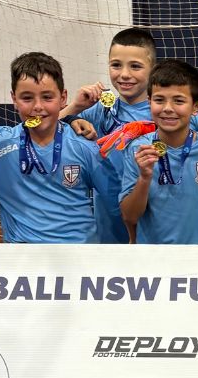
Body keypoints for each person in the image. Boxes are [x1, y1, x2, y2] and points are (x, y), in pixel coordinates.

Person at [0, 52, 109, 243]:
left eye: (47, 97)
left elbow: (115, 202)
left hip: (78, 253)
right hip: (22, 256)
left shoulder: (84, 145)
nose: (38, 106)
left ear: (63, 98)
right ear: (14, 99)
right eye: (27, 98)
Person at [119, 60, 198, 244]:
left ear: (196, 106)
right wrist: (144, 178)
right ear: (149, 102)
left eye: (179, 101)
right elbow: (130, 216)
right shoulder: (138, 149)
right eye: (159, 100)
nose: (168, 108)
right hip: (155, 260)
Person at [59, 28, 156, 243]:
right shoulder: (102, 109)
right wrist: (75, 108)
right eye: (116, 65)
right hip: (108, 219)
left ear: (153, 68)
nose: (124, 74)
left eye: (135, 66)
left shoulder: (164, 111)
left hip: (151, 213)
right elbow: (45, 128)